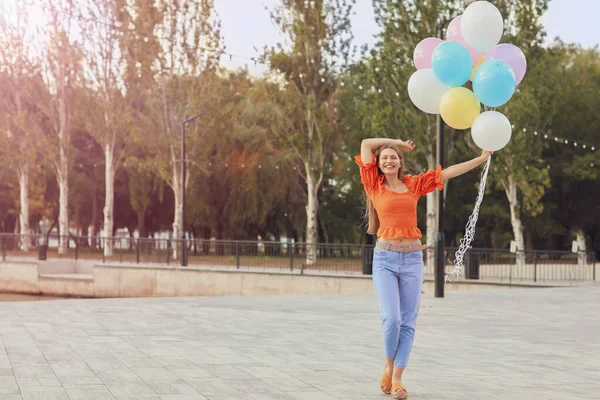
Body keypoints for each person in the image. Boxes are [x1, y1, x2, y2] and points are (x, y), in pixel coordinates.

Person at [355, 138, 491, 399]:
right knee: (391, 320)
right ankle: (388, 365)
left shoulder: (414, 184)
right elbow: (365, 144)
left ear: (400, 162)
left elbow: (447, 172)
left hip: (413, 260)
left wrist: (481, 158)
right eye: (384, 157)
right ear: (379, 164)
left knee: (408, 322)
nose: (388, 160)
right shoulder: (373, 184)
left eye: (393, 156)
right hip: (385, 259)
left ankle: (396, 379)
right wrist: (394, 142)